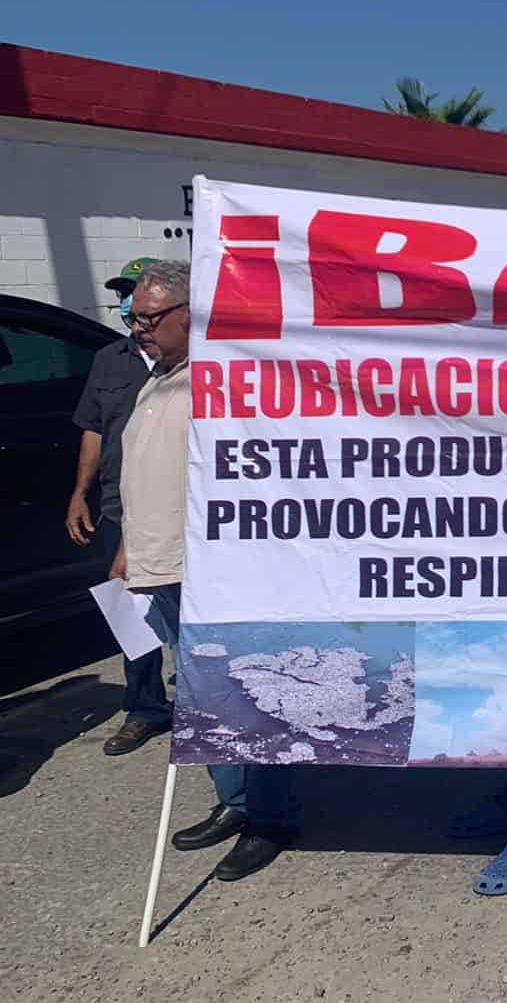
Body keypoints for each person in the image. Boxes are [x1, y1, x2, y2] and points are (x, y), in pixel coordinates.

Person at [112, 260, 299, 881]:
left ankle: (269, 817)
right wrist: (129, 547)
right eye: (132, 315)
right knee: (202, 696)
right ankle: (235, 802)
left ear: (189, 314)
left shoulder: (217, 379)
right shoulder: (157, 379)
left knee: (245, 692)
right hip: (157, 561)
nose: (135, 326)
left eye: (147, 316)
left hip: (207, 568)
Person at [67, 257, 162, 755]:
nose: (130, 305)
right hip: (116, 506)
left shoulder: (187, 360)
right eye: (123, 296)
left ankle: (208, 703)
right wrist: (80, 492)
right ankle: (146, 705)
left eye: (138, 293)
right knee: (131, 614)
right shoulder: (109, 360)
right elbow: (93, 428)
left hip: (171, 510)